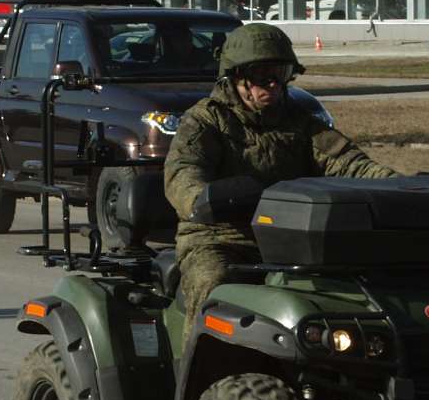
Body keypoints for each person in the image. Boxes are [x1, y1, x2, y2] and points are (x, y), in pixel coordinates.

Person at [164, 23, 395, 317]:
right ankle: (199, 359)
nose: (273, 84)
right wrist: (203, 198)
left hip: (292, 235)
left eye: (281, 74)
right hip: (221, 238)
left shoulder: (300, 121)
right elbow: (182, 172)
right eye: (263, 76)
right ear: (237, 77)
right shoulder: (204, 121)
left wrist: (397, 188)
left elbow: (348, 163)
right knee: (211, 281)